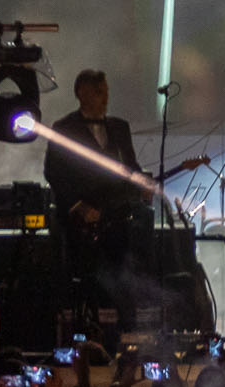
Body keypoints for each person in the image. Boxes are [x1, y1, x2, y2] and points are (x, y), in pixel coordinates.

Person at [46, 69, 151, 314]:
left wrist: (142, 184)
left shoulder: (119, 127)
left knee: (119, 278)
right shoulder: (64, 128)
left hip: (116, 218)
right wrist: (78, 205)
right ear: (82, 94)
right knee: (85, 280)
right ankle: (85, 323)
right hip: (80, 223)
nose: (105, 98)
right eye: (99, 92)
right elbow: (53, 173)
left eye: (105, 92)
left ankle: (118, 324)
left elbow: (130, 168)